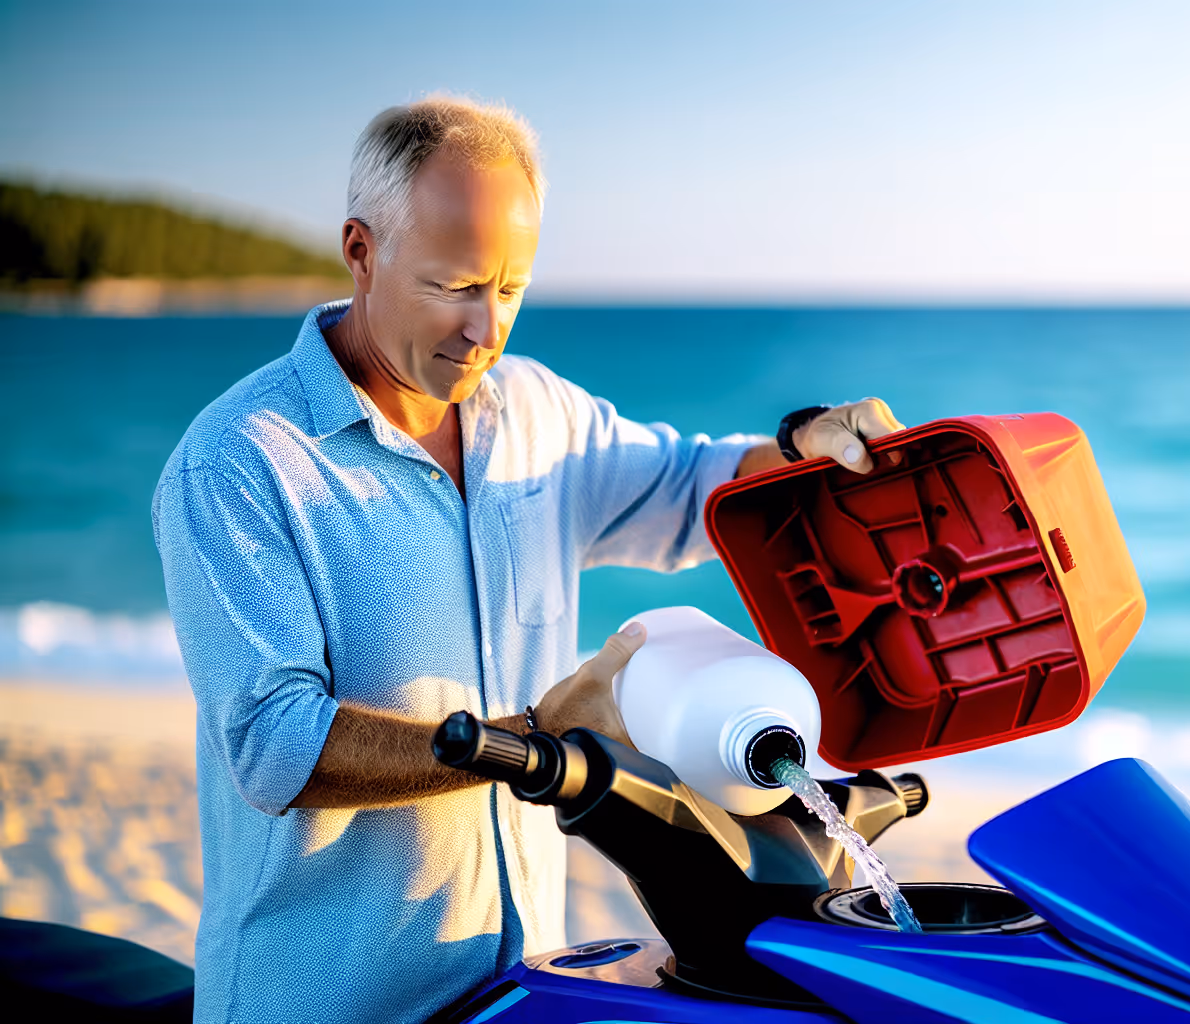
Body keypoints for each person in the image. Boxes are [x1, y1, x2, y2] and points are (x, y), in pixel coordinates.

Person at [152, 96, 904, 1024]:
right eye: (454, 286)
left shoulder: (536, 411)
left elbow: (691, 488)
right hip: (326, 1003)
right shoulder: (240, 459)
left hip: (517, 994)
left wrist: (799, 452)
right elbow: (277, 748)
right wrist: (534, 734)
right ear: (360, 251)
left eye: (509, 289)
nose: (486, 330)